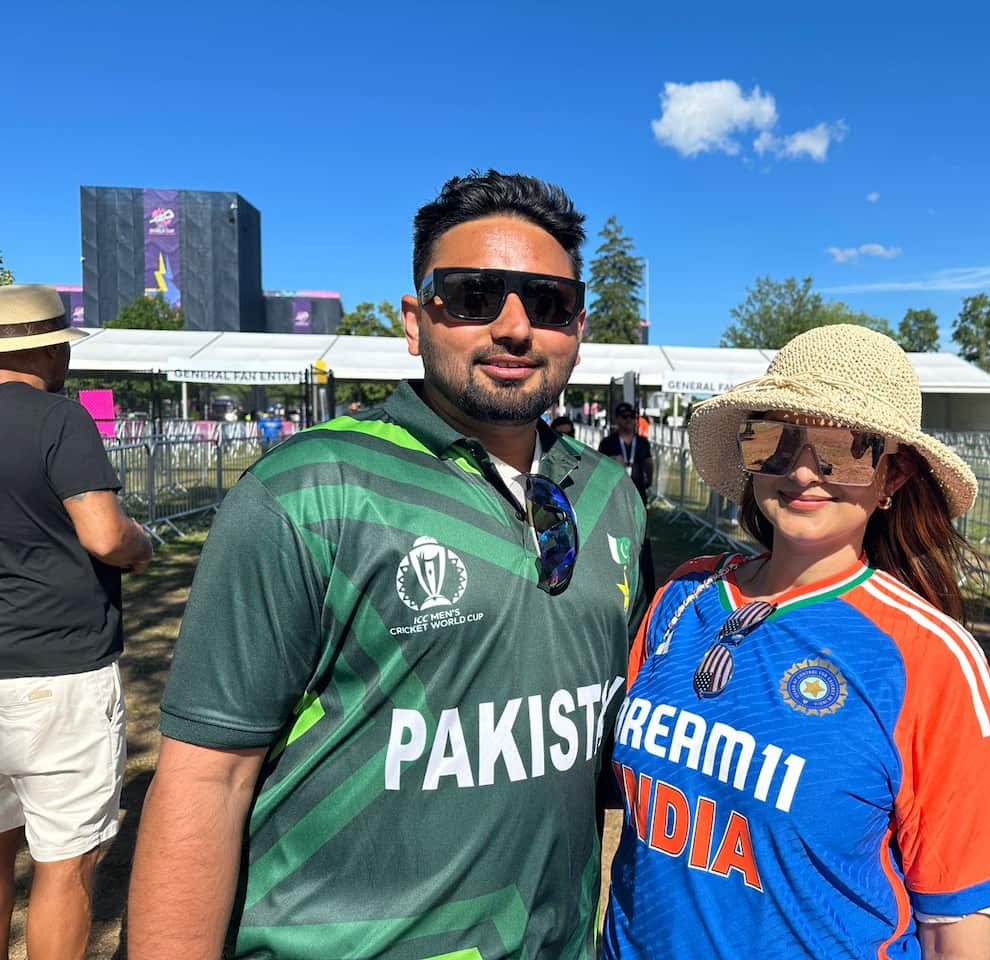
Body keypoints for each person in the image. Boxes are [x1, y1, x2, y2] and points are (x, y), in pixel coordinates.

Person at [129, 171, 649, 960]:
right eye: (473, 295)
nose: (514, 327)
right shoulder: (307, 490)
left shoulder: (614, 497)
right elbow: (206, 781)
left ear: (577, 324)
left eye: (546, 303)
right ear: (416, 320)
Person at [603, 325, 990, 960]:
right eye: (774, 439)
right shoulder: (684, 594)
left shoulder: (932, 658)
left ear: (892, 478)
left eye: (844, 448)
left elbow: (956, 923)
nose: (803, 469)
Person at [0, 285, 153, 960]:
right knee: (67, 864)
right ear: (48, 349)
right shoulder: (59, 421)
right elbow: (105, 535)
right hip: (57, 674)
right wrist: (142, 544)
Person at [599, 401, 656, 599]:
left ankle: (646, 588)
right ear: (617, 419)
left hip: (638, 497)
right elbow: (600, 470)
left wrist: (649, 480)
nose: (629, 421)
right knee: (618, 541)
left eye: (632, 417)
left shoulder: (641, 443)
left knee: (642, 542)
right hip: (615, 500)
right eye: (625, 417)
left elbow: (649, 463)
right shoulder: (609, 443)